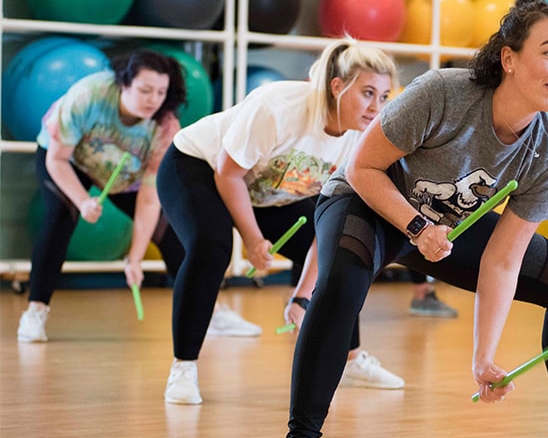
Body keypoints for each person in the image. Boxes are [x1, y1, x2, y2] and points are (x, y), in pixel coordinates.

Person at [263, 0, 548, 438]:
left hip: (437, 225)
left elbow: (503, 259)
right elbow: (362, 168)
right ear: (510, 58)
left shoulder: (547, 153)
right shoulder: (444, 92)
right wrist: (415, 224)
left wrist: (483, 356)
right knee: (340, 287)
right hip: (366, 202)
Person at [157, 39, 404, 405]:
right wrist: (254, 240)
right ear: (338, 86)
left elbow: (333, 218)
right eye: (367, 93)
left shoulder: (363, 138)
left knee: (345, 250)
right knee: (212, 247)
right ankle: (184, 366)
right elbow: (228, 175)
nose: (375, 107)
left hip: (269, 191)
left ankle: (349, 360)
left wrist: (302, 295)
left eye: (383, 97)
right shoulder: (278, 108)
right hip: (200, 167)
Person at [16, 49, 187, 343]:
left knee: (172, 230)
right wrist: (82, 200)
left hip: (124, 176)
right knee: (59, 216)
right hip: (69, 160)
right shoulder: (88, 96)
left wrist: (134, 258)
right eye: (145, 90)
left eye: (161, 92)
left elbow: (149, 198)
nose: (153, 99)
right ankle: (35, 310)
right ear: (123, 83)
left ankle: (208, 309)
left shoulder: (165, 127)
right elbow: (56, 160)